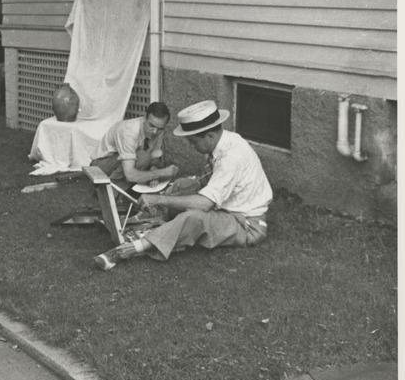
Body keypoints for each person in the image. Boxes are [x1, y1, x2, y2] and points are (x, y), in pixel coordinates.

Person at [95, 99, 273, 271]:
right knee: (181, 184)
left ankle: (131, 249)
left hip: (245, 223)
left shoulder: (231, 158)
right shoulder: (224, 142)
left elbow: (205, 204)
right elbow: (204, 181)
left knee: (194, 218)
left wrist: (159, 199)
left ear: (210, 136)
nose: (191, 146)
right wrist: (169, 196)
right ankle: (147, 221)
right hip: (228, 206)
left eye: (193, 141)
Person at [89, 101, 179, 193]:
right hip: (100, 166)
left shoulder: (156, 131)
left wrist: (154, 173)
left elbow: (153, 158)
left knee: (145, 157)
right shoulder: (129, 131)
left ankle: (125, 189)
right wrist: (160, 173)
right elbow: (130, 174)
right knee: (143, 157)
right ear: (144, 118)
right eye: (151, 125)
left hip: (122, 164)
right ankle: (108, 192)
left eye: (160, 128)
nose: (155, 131)